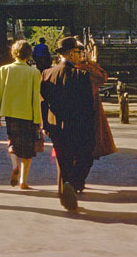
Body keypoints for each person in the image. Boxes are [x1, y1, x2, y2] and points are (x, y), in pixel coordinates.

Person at [40, 36, 95, 211]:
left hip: (54, 125)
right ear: (71, 54)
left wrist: (45, 125)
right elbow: (88, 105)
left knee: (62, 161)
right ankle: (72, 183)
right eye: (78, 52)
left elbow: (43, 102)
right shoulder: (81, 75)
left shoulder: (47, 73)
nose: (80, 55)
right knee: (85, 156)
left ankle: (65, 195)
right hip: (77, 126)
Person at [0, 39, 42, 190]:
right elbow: (36, 98)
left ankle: (14, 165)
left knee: (12, 142)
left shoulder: (4, 70)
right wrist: (38, 119)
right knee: (27, 149)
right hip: (28, 115)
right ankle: (23, 181)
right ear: (29, 54)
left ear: (13, 52)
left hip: (10, 113)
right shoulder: (34, 73)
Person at [75, 55, 117, 161]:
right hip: (91, 107)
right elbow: (103, 76)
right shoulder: (89, 69)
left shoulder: (72, 68)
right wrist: (92, 64)